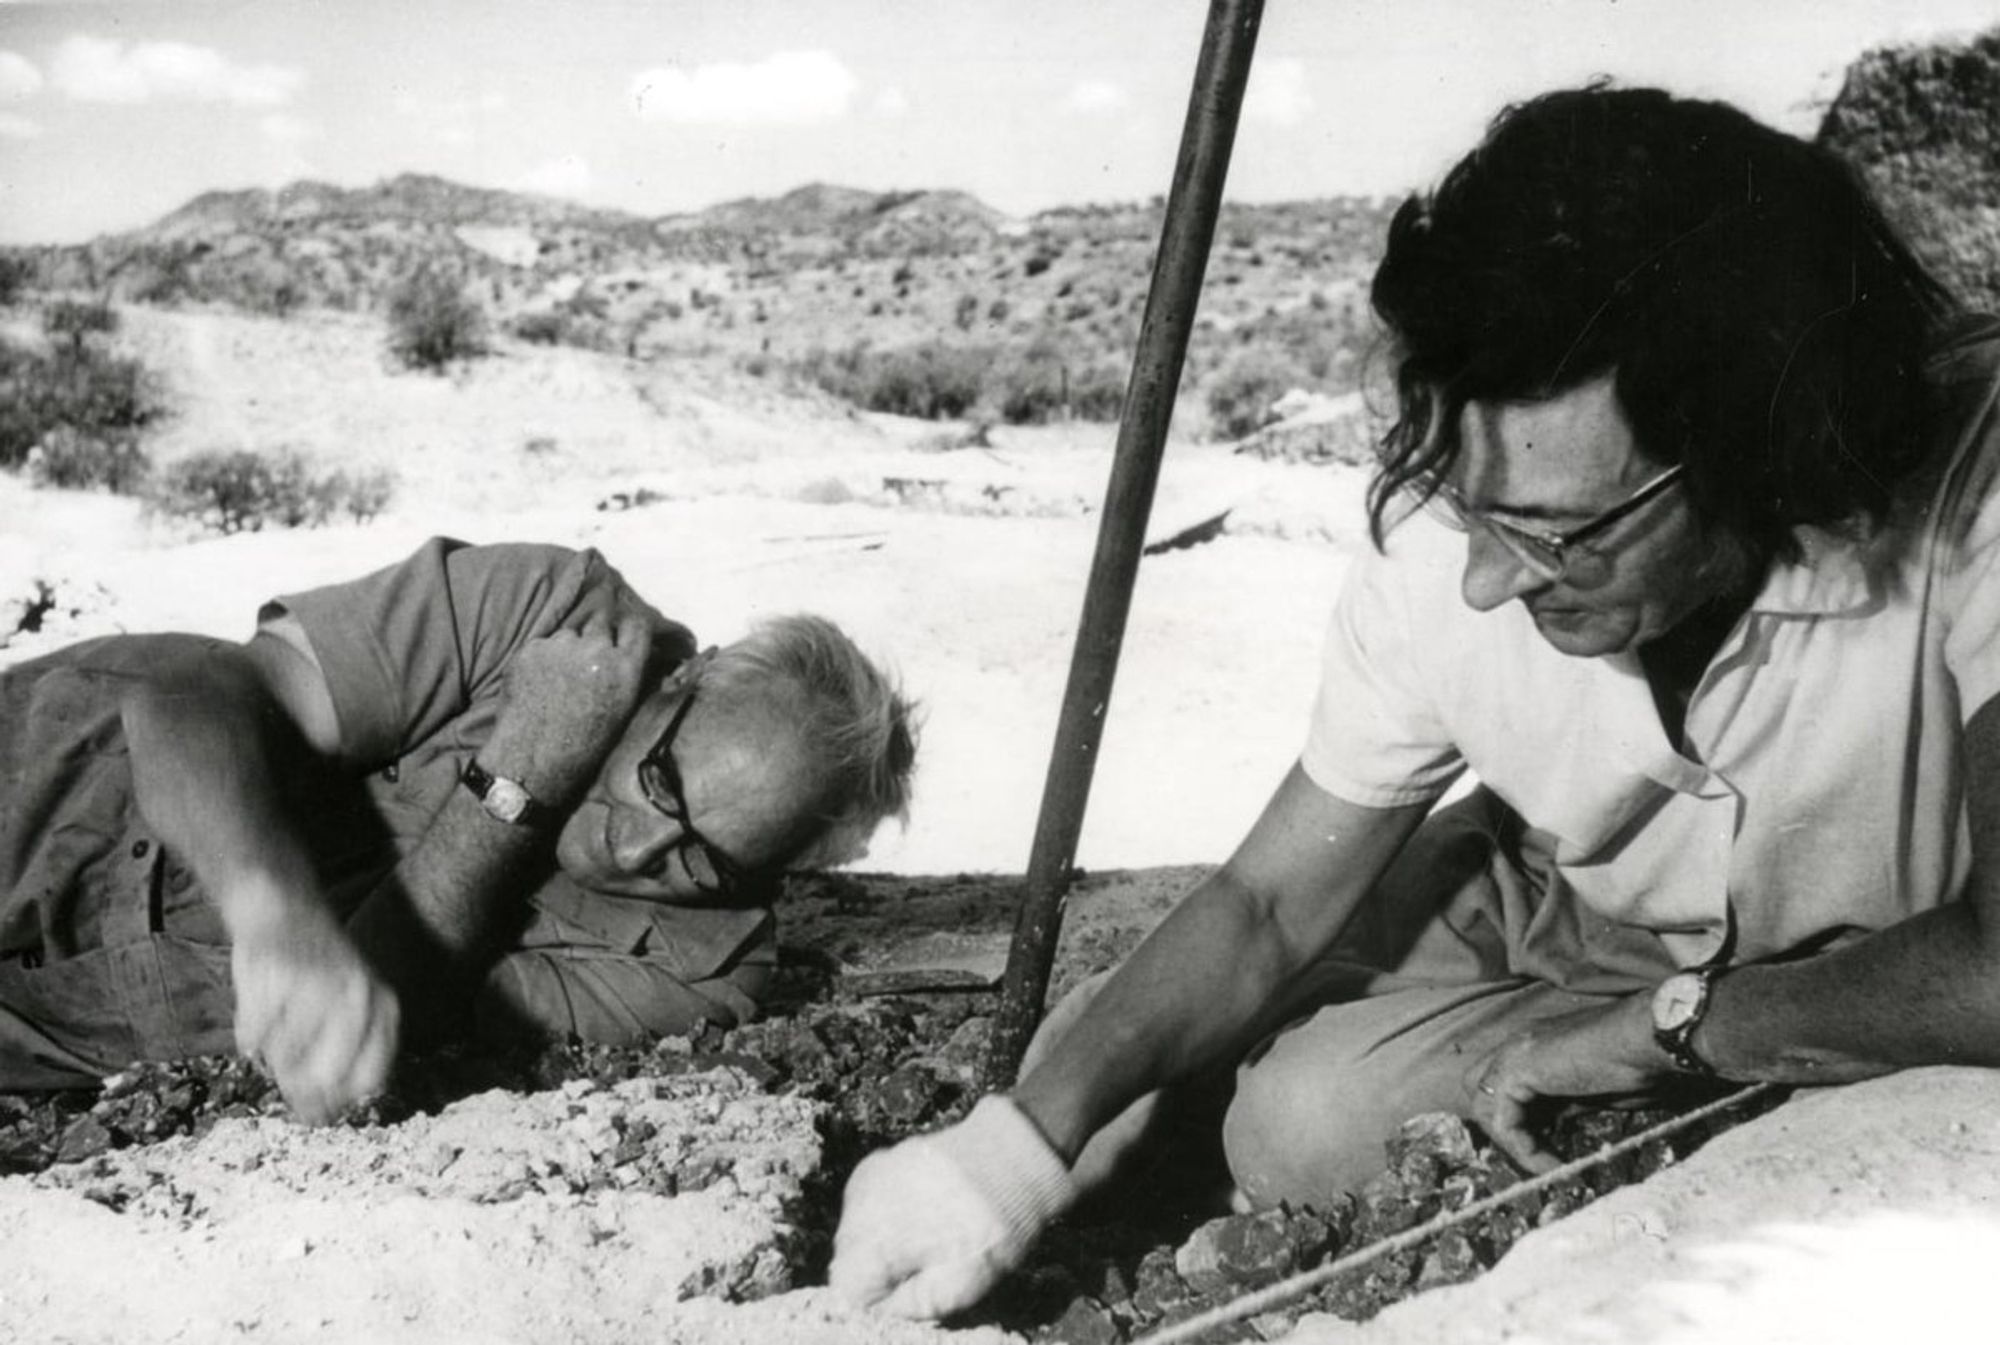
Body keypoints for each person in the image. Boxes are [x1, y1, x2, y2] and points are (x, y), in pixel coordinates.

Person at [831, 82, 2000, 1319]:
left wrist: (1670, 1028)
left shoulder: (1975, 468)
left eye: (1559, 536)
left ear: (1766, 448)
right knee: (1094, 1067)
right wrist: (1005, 1156)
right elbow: (1268, 902)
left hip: (1883, 954)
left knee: (1305, 1121)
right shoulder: (1468, 516)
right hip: (1573, 901)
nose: (1490, 579)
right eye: (1467, 509)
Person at [0, 535, 915, 1124]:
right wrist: (269, 909)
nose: (636, 848)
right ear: (683, 678)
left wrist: (522, 773)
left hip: (72, 1028)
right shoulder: (551, 605)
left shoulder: (705, 969)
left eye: (706, 859)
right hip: (59, 778)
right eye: (661, 781)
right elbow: (191, 695)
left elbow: (392, 1001)